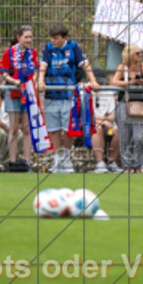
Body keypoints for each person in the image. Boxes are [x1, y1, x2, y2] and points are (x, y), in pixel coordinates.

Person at [37, 24, 97, 173]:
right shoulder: (48, 48)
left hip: (69, 95)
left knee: (67, 129)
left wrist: (93, 80)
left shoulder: (73, 46)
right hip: (52, 94)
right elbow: (43, 65)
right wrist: (40, 81)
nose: (53, 41)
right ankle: (56, 160)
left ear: (64, 38)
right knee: (54, 130)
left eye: (56, 38)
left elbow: (84, 63)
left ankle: (66, 158)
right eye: (51, 37)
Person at [0, 26, 40, 169]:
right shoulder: (9, 52)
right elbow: (4, 72)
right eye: (26, 37)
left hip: (27, 92)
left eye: (30, 37)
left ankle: (27, 161)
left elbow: (35, 71)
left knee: (26, 129)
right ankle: (12, 161)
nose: (29, 40)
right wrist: (14, 82)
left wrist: (31, 81)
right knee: (13, 128)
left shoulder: (32, 53)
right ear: (18, 37)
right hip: (13, 92)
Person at [111, 43, 143, 173]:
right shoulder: (122, 67)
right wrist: (131, 83)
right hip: (123, 103)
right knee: (124, 136)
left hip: (138, 104)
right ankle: (126, 166)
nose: (140, 55)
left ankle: (137, 165)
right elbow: (115, 82)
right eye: (137, 53)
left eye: (140, 53)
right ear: (129, 54)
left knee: (139, 137)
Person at [104, 0, 141, 70]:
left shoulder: (136, 3)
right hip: (115, 38)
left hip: (131, 40)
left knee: (131, 69)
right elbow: (104, 14)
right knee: (114, 69)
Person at [90, 66, 122, 173]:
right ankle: (100, 163)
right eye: (98, 82)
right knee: (97, 128)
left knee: (117, 130)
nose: (101, 84)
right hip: (89, 125)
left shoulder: (108, 91)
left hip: (106, 124)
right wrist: (103, 121)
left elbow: (112, 114)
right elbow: (86, 114)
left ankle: (111, 162)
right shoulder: (84, 90)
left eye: (102, 82)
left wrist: (105, 121)